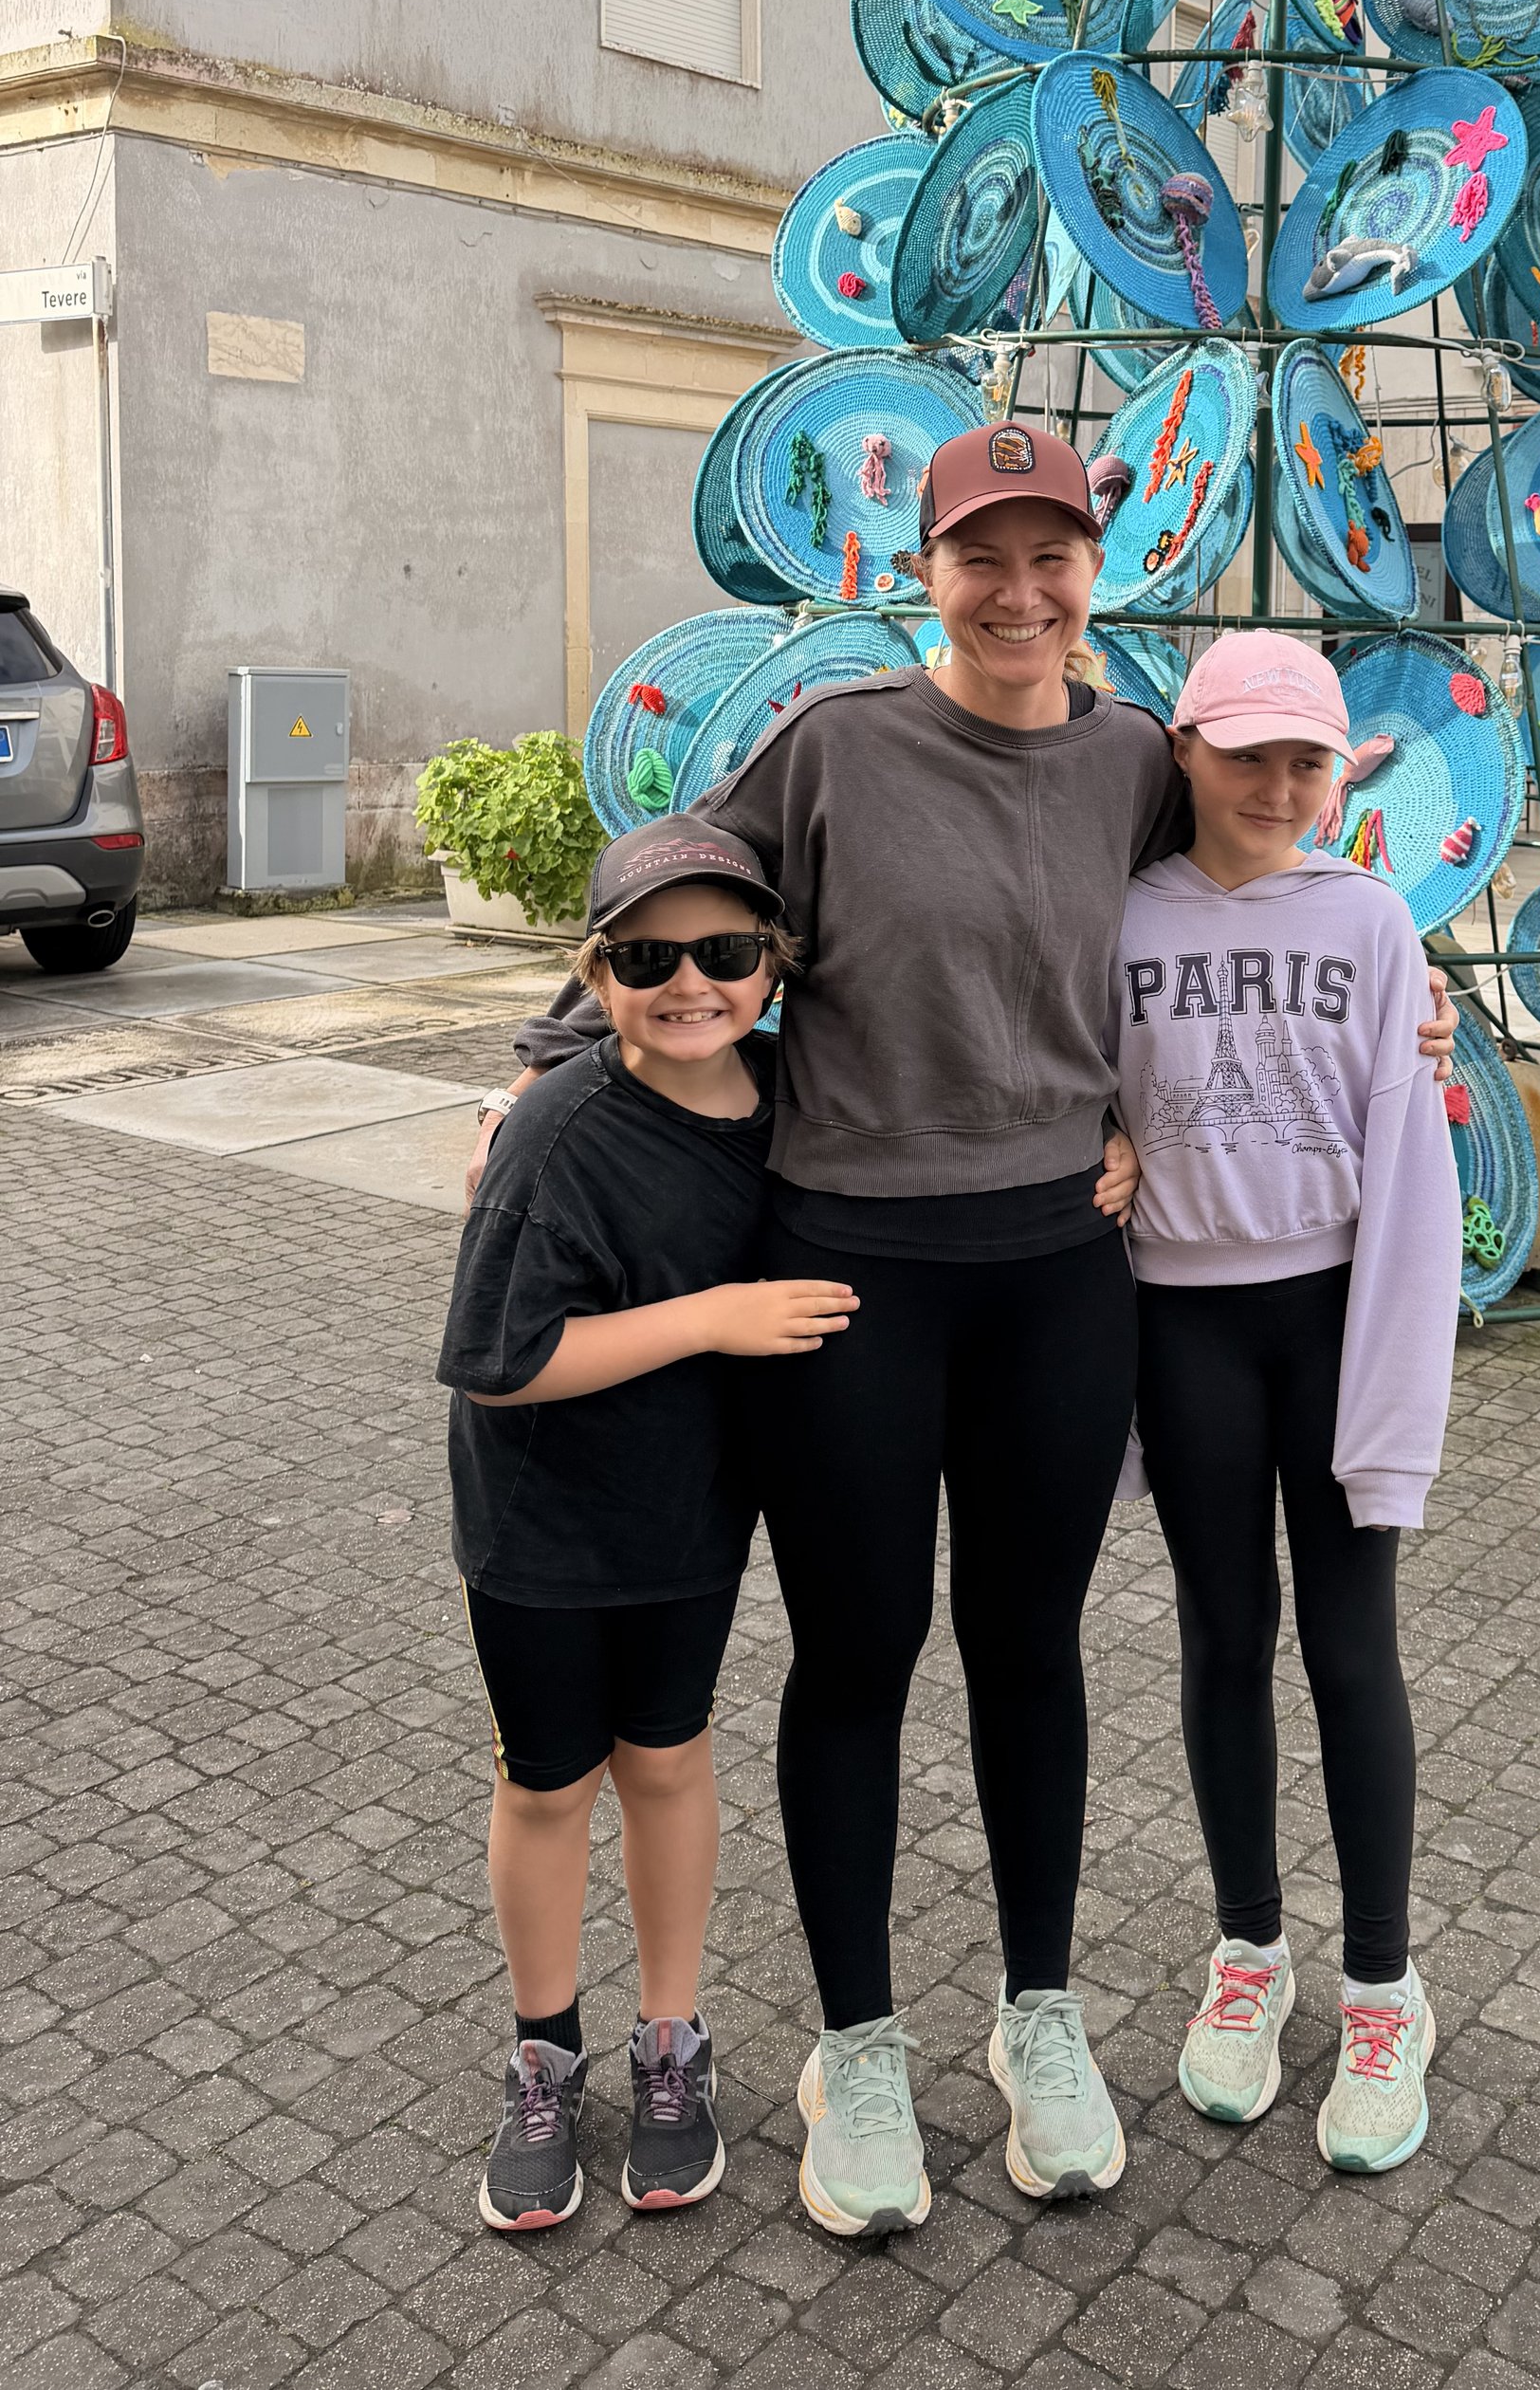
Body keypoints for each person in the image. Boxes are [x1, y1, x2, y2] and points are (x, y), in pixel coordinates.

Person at [470, 420, 1456, 2240]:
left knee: (1029, 1649)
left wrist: (1405, 996)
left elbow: (1247, 877)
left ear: (1092, 572)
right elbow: (674, 894)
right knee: (858, 1656)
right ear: (923, 571)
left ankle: (1038, 2013)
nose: (1018, 593)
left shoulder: (1131, 759)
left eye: (1049, 556)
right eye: (979, 557)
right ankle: (854, 2047)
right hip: (850, 1275)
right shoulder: (836, 745)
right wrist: (547, 1060)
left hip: (1059, 1276)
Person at [441, 817, 852, 2233]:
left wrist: (1114, 1144)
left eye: (726, 951)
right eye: (648, 958)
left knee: (667, 1760)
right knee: (551, 1783)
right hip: (542, 1525)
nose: (692, 983)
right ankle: (543, 2052)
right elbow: (500, 1359)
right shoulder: (556, 1130)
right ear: (595, 974)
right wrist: (713, 1318)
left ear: (774, 965)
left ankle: (671, 2042)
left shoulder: (800, 1095)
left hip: (691, 1519)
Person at [1113, 633, 1462, 2176]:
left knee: (1350, 1645)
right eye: (1246, 752)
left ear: (1340, 772)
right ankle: (1249, 1948)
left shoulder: (1373, 918)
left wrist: (1399, 1375)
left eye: (1305, 759)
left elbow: (1410, 1156)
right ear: (1183, 750)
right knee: (1222, 1635)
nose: (1275, 784)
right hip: (1180, 1318)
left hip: (1330, 1315)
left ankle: (1384, 1984)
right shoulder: (1122, 911)